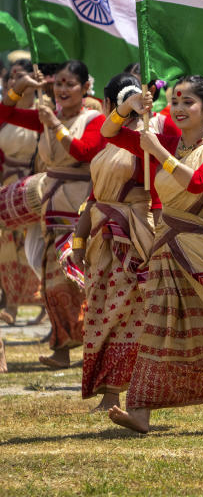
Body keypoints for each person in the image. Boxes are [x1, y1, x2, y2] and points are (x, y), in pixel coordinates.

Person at [103, 75, 203, 434]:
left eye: (188, 102)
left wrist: (158, 152)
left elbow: (196, 183)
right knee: (157, 326)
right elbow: (110, 134)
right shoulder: (169, 143)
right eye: (175, 102)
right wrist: (125, 108)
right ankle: (142, 411)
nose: (178, 108)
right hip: (166, 248)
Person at [0, 61, 105, 369]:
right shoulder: (50, 116)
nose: (62, 89)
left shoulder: (94, 118)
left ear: (85, 88)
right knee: (50, 274)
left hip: (79, 203)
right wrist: (21, 87)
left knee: (76, 276)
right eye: (57, 83)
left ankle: (94, 347)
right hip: (51, 200)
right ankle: (61, 347)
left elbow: (84, 152)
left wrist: (54, 125)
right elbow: (5, 115)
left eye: (69, 83)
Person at [75, 74, 158, 411]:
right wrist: (79, 240)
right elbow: (94, 196)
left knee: (125, 314)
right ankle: (108, 391)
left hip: (134, 237)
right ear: (110, 106)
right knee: (99, 311)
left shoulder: (149, 140)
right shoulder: (106, 142)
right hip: (101, 238)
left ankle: (116, 393)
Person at [0, 60, 42, 326]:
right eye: (11, 76)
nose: (16, 80)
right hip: (5, 184)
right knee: (6, 248)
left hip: (35, 187)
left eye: (21, 76)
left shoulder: (44, 112)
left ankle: (46, 304)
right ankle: (10, 304)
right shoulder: (5, 112)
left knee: (35, 247)